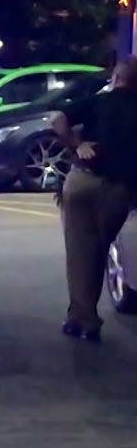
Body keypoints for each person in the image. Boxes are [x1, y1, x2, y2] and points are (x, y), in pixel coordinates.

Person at [50, 56, 137, 342]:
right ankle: (83, 317)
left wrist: (78, 144)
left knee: (79, 252)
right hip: (117, 189)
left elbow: (58, 119)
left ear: (116, 78)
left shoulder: (98, 102)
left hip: (81, 180)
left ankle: (81, 317)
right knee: (98, 251)